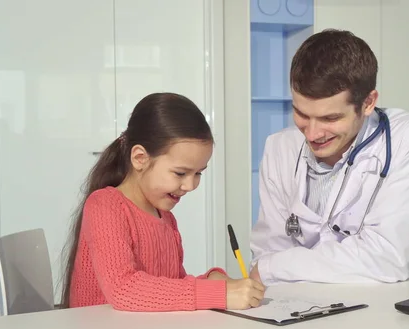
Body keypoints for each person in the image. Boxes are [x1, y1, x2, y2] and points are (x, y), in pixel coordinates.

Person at [249, 29, 409, 286]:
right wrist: (271, 266)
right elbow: (268, 251)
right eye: (301, 113)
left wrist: (273, 267)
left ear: (367, 103)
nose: (312, 133)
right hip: (299, 306)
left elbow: (387, 259)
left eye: (330, 118)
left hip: (387, 304)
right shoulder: (280, 147)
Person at [60, 92, 265, 312]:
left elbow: (168, 291)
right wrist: (218, 295)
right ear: (140, 158)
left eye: (198, 174)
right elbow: (125, 289)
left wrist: (212, 280)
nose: (191, 185)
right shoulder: (104, 206)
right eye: (180, 173)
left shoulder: (166, 218)